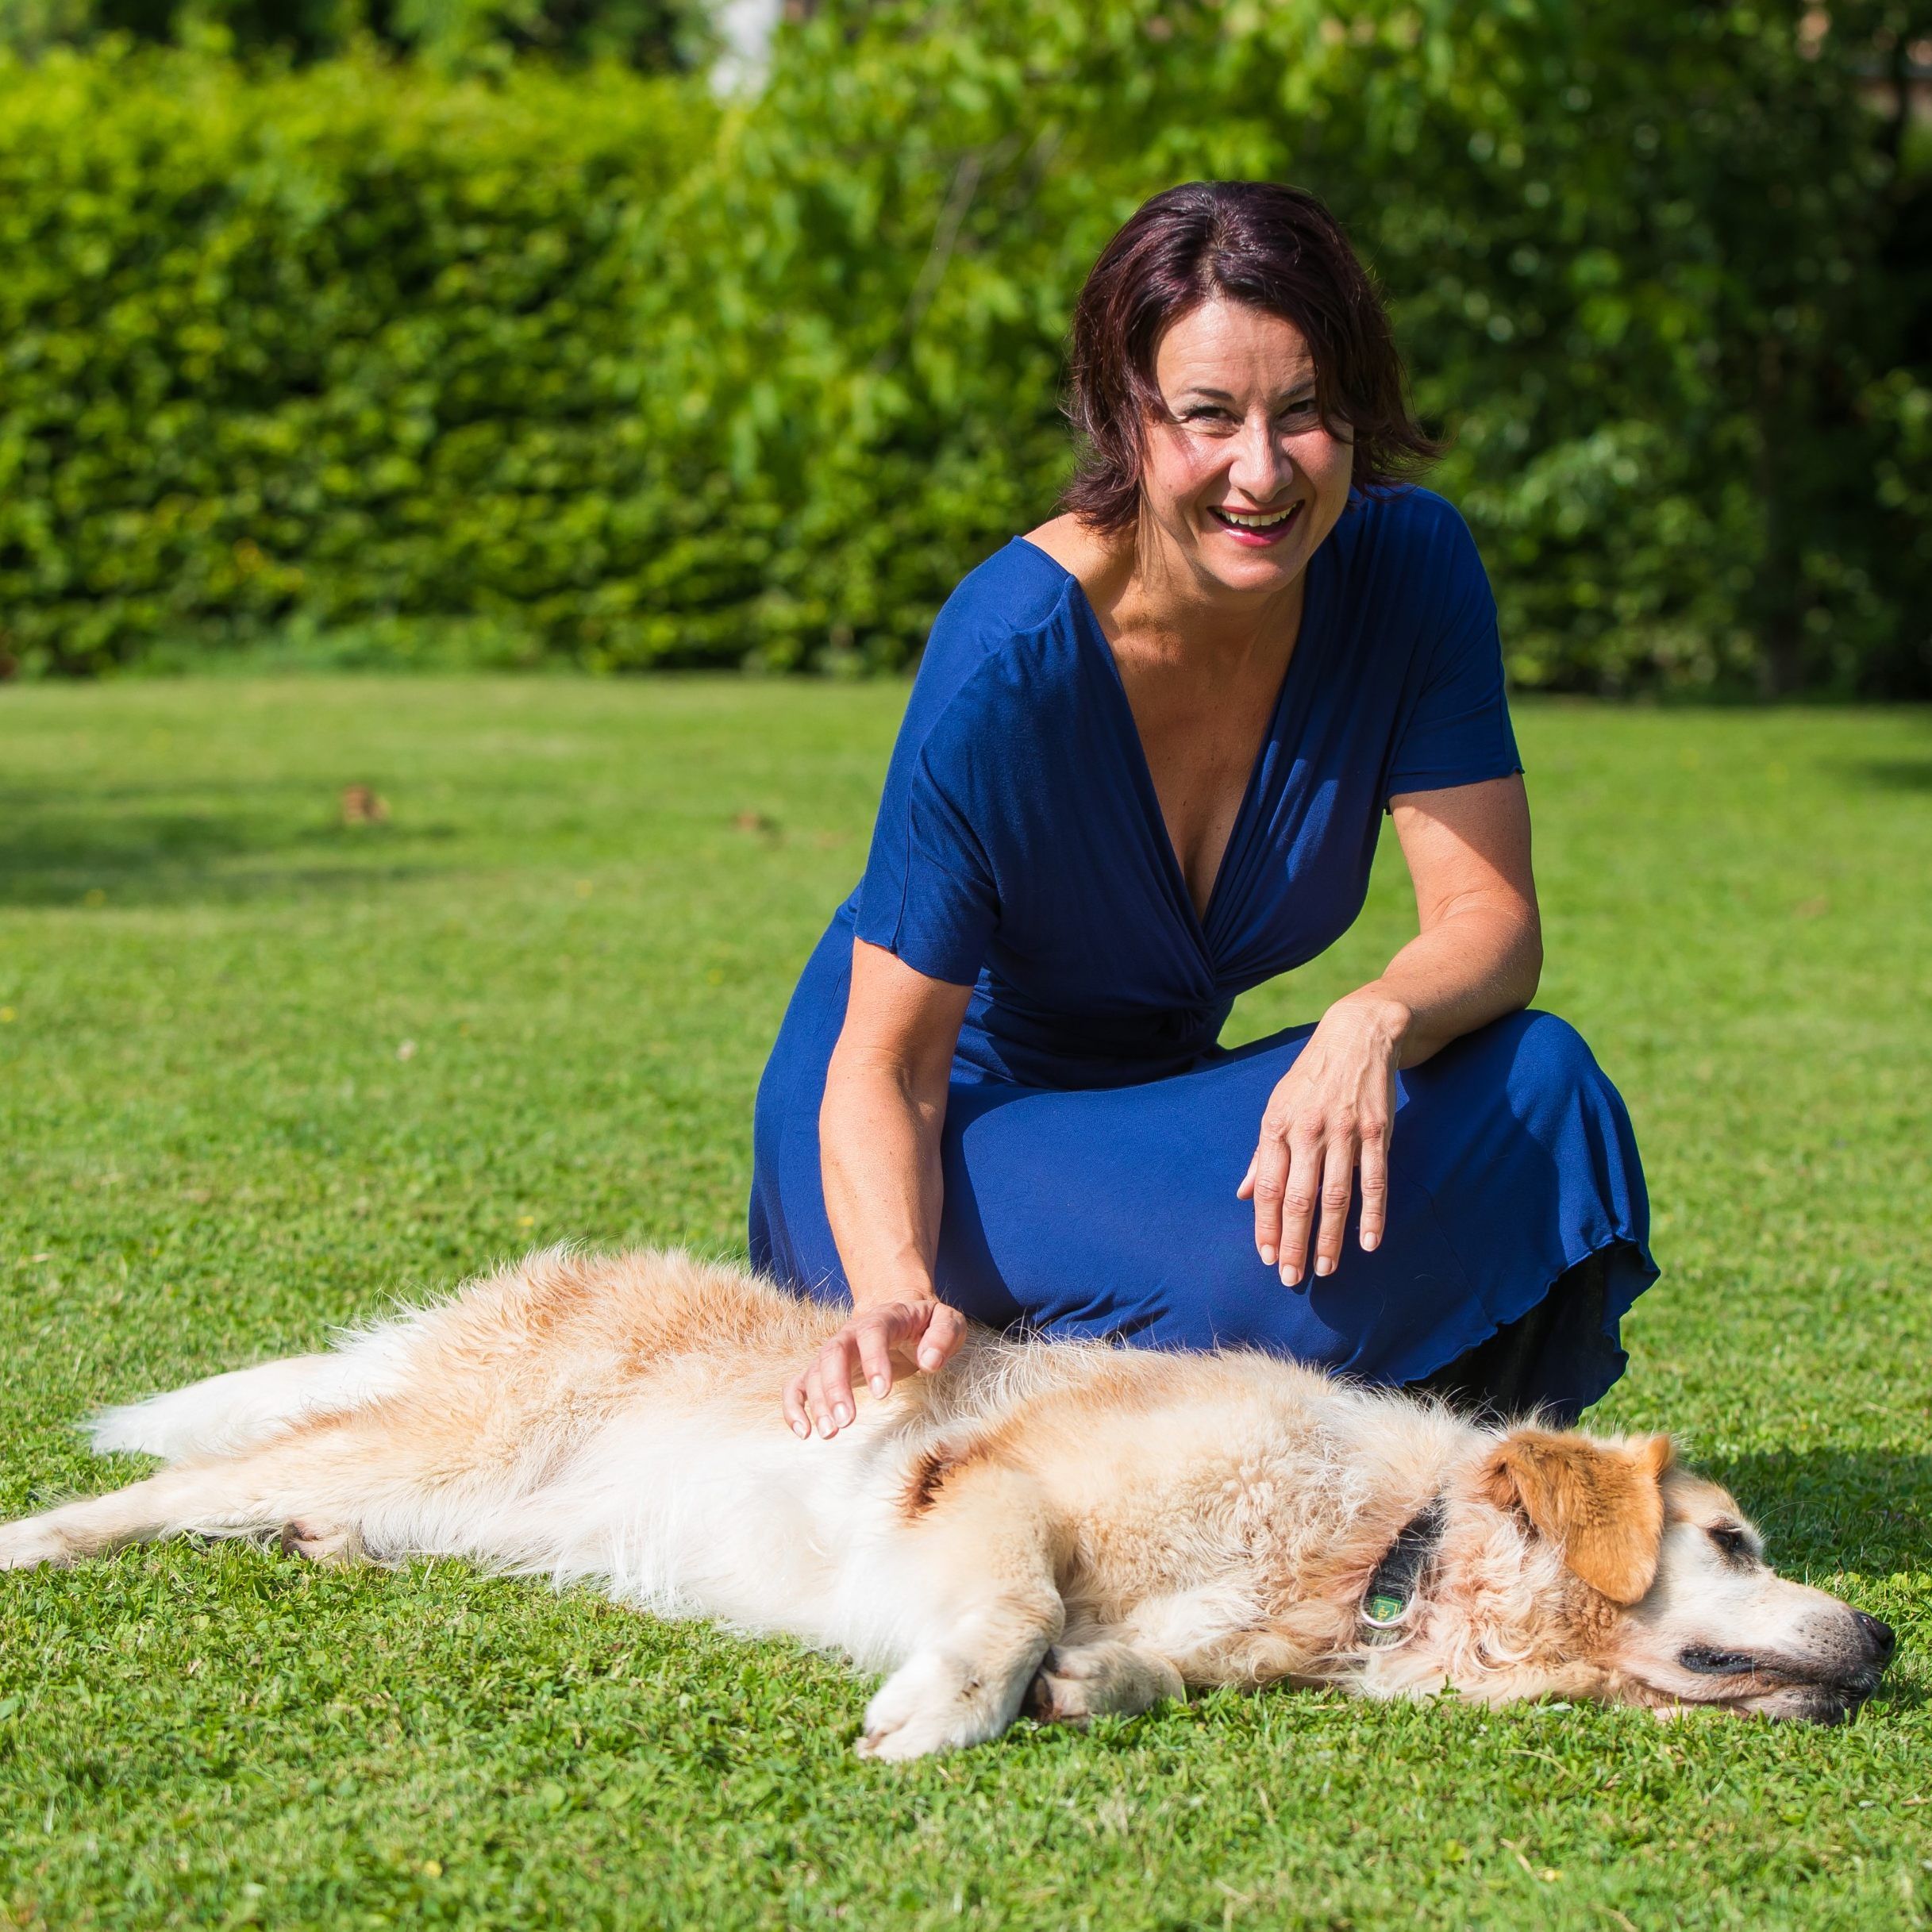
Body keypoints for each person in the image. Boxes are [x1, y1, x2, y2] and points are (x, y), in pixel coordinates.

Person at [749, 179, 1655, 1443]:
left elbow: (1487, 915)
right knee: (1259, 1272)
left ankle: (1286, 1402)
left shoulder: (1412, 570)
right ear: (1127, 417)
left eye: (1303, 414)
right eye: (1208, 417)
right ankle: (1272, 1411)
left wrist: (1371, 1019)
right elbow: (884, 1063)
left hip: (1159, 1114)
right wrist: (893, 1287)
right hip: (932, 1137)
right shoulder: (1009, 653)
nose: (1262, 471)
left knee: (1541, 1089)